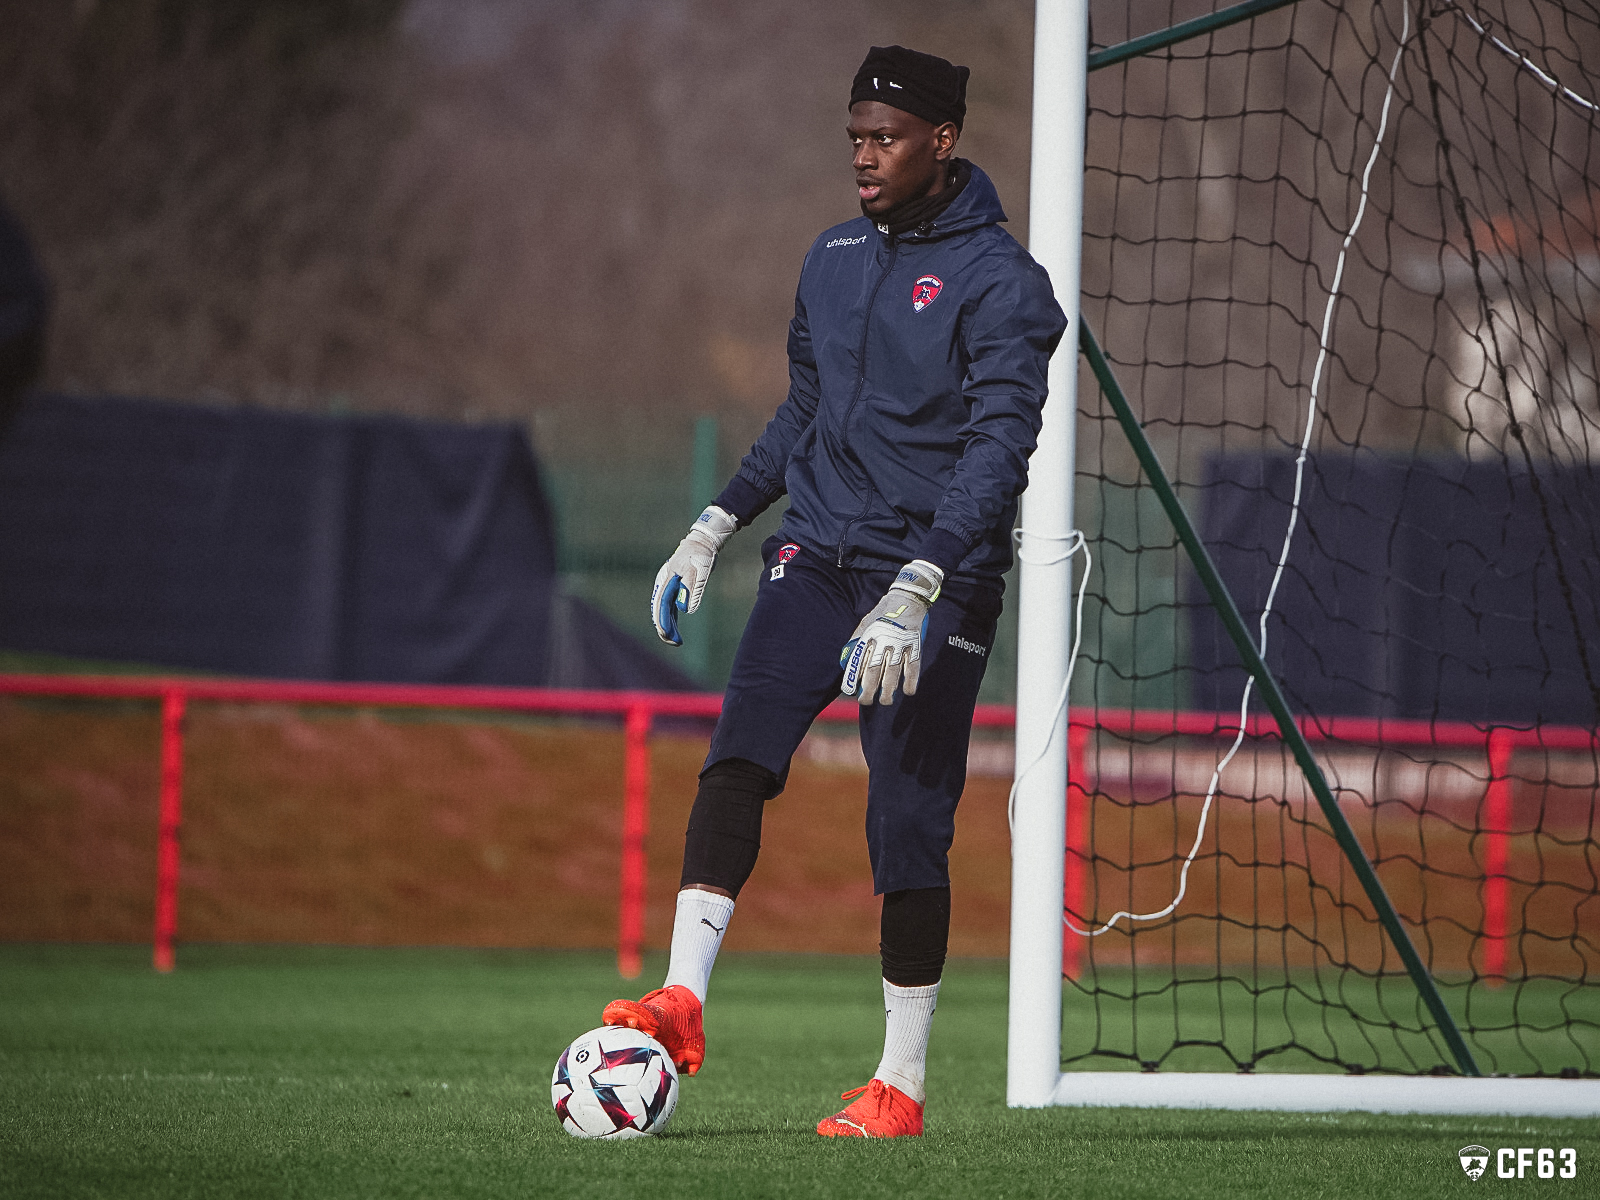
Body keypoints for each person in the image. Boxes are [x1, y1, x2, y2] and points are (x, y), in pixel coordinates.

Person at [602, 44, 1065, 1138]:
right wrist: (716, 524)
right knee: (738, 756)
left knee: (906, 821)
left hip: (935, 580)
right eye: (854, 135)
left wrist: (921, 583)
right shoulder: (833, 257)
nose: (863, 155)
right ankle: (680, 1003)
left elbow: (1001, 450)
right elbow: (801, 412)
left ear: (941, 143)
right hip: (816, 552)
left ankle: (897, 1086)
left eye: (885, 138)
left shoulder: (1006, 284)